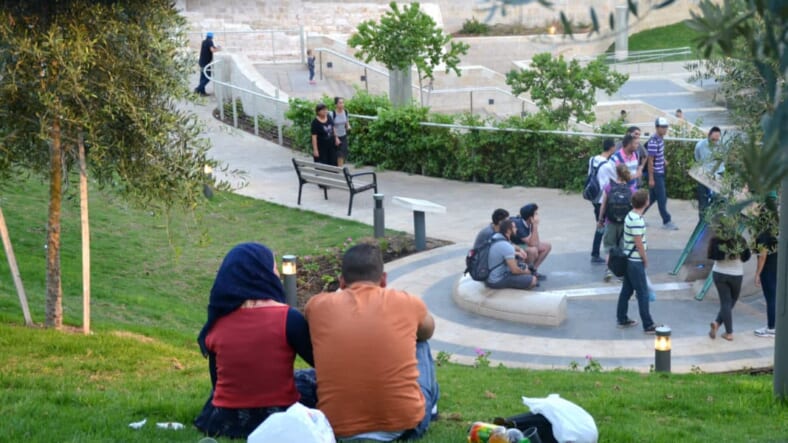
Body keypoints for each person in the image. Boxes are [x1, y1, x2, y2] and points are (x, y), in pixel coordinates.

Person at [305, 243, 440, 441]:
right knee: (420, 343)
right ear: (383, 279)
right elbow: (428, 332)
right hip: (405, 427)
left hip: (337, 429)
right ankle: (431, 408)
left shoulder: (316, 306)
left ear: (342, 281)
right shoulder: (407, 302)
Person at [194, 243, 316, 439]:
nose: (277, 275)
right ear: (261, 274)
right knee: (310, 377)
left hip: (226, 420)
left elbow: (217, 384)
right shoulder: (288, 318)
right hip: (278, 416)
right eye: (274, 268)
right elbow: (319, 362)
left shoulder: (216, 323)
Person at [616, 189, 658, 334]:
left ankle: (622, 318)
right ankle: (648, 325)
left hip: (628, 259)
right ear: (646, 203)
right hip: (635, 261)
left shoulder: (630, 215)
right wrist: (645, 259)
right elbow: (638, 242)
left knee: (626, 291)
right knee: (642, 293)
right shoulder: (637, 220)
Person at [707, 233, 751, 341]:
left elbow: (711, 255)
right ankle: (729, 333)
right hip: (736, 274)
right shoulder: (739, 239)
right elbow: (746, 256)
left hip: (719, 273)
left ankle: (717, 323)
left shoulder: (716, 239)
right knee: (732, 301)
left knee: (725, 302)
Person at [599, 163, 634, 282]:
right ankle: (621, 273)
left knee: (609, 247)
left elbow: (603, 206)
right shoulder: (631, 189)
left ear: (616, 174)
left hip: (610, 221)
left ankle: (608, 270)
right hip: (625, 223)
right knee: (623, 247)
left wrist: (600, 220)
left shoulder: (609, 187)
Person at [645, 117, 679, 230]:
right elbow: (650, 160)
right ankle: (667, 220)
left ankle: (636, 215)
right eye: (662, 127)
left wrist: (663, 160)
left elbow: (658, 155)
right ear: (657, 128)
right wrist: (651, 178)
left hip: (660, 172)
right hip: (656, 174)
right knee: (662, 198)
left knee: (652, 198)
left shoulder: (660, 139)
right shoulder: (653, 141)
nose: (665, 129)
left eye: (666, 127)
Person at [486, 219, 538, 290]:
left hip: (490, 275)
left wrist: (519, 250)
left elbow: (510, 246)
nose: (516, 229)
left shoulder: (496, 237)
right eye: (514, 227)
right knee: (533, 280)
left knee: (520, 262)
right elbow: (515, 270)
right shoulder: (506, 246)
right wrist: (527, 272)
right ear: (508, 230)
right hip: (497, 280)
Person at [589, 138, 616, 263]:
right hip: (602, 199)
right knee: (603, 225)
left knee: (600, 224)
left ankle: (596, 252)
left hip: (593, 196)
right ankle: (599, 253)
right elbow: (616, 179)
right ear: (611, 148)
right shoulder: (608, 165)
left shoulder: (592, 159)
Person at [754, 199, 778, 338]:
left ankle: (771, 327)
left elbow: (762, 255)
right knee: (774, 297)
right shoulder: (776, 229)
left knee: (770, 298)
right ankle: (773, 325)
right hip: (776, 266)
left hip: (768, 269)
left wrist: (758, 273)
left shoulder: (764, 234)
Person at [511, 203, 551, 279]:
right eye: (536, 213)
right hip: (512, 245)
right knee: (533, 250)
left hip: (521, 244)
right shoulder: (519, 225)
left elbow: (535, 242)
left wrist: (533, 225)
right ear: (530, 217)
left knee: (547, 246)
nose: (538, 215)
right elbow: (533, 244)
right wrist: (535, 225)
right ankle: (527, 273)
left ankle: (533, 270)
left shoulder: (528, 223)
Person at [694, 126, 724, 219]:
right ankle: (702, 222)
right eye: (713, 139)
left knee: (717, 201)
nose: (715, 142)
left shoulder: (723, 146)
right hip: (703, 174)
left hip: (718, 174)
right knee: (703, 202)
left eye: (717, 139)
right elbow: (697, 158)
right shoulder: (700, 145)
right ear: (708, 136)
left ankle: (715, 224)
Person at [195, 32, 221, 96]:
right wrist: (218, 49)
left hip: (201, 61)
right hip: (206, 63)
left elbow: (211, 48)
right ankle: (198, 89)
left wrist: (216, 48)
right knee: (207, 77)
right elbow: (212, 50)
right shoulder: (210, 41)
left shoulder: (204, 42)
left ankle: (202, 92)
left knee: (202, 77)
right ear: (212, 37)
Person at [332, 97, 351, 167]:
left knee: (343, 153)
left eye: (343, 102)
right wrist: (336, 137)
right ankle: (339, 169)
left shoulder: (345, 112)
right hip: (335, 136)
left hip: (343, 135)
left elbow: (346, 121)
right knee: (338, 154)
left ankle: (340, 168)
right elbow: (332, 126)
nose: (342, 104)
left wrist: (348, 126)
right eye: (340, 103)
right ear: (336, 104)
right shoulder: (333, 114)